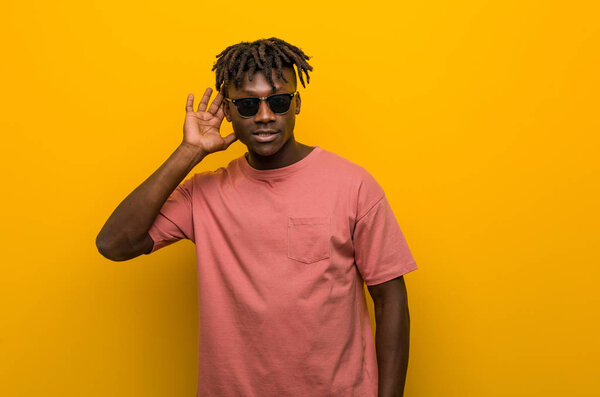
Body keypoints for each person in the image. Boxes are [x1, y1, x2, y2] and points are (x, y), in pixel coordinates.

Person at [96, 37, 418, 397]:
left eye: (278, 102)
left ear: (296, 104)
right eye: (248, 105)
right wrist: (189, 152)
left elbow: (391, 301)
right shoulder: (203, 194)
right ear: (229, 112)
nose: (264, 116)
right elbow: (114, 243)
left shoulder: (354, 185)